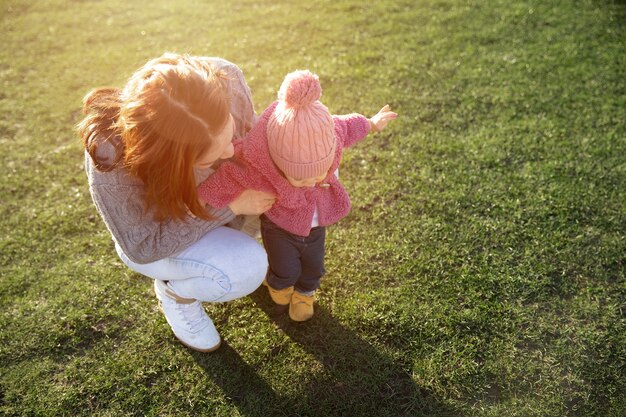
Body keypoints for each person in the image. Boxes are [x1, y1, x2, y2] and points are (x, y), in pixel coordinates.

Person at [77, 53, 276, 352]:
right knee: (245, 267)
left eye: (228, 132)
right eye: (211, 154)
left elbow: (255, 147)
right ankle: (176, 293)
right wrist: (231, 207)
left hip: (217, 202)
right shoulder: (111, 160)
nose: (228, 152)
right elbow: (143, 246)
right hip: (161, 236)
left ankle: (245, 244)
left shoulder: (226, 79)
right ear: (171, 162)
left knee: (302, 169)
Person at [197, 70, 397, 322]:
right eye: (300, 178)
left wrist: (371, 123)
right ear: (279, 166)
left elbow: (348, 126)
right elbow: (230, 176)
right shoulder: (261, 162)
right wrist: (202, 195)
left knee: (314, 266)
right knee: (285, 267)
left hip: (315, 226)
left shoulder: (329, 133)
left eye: (319, 173)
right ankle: (279, 284)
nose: (311, 182)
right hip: (279, 225)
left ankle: (305, 294)